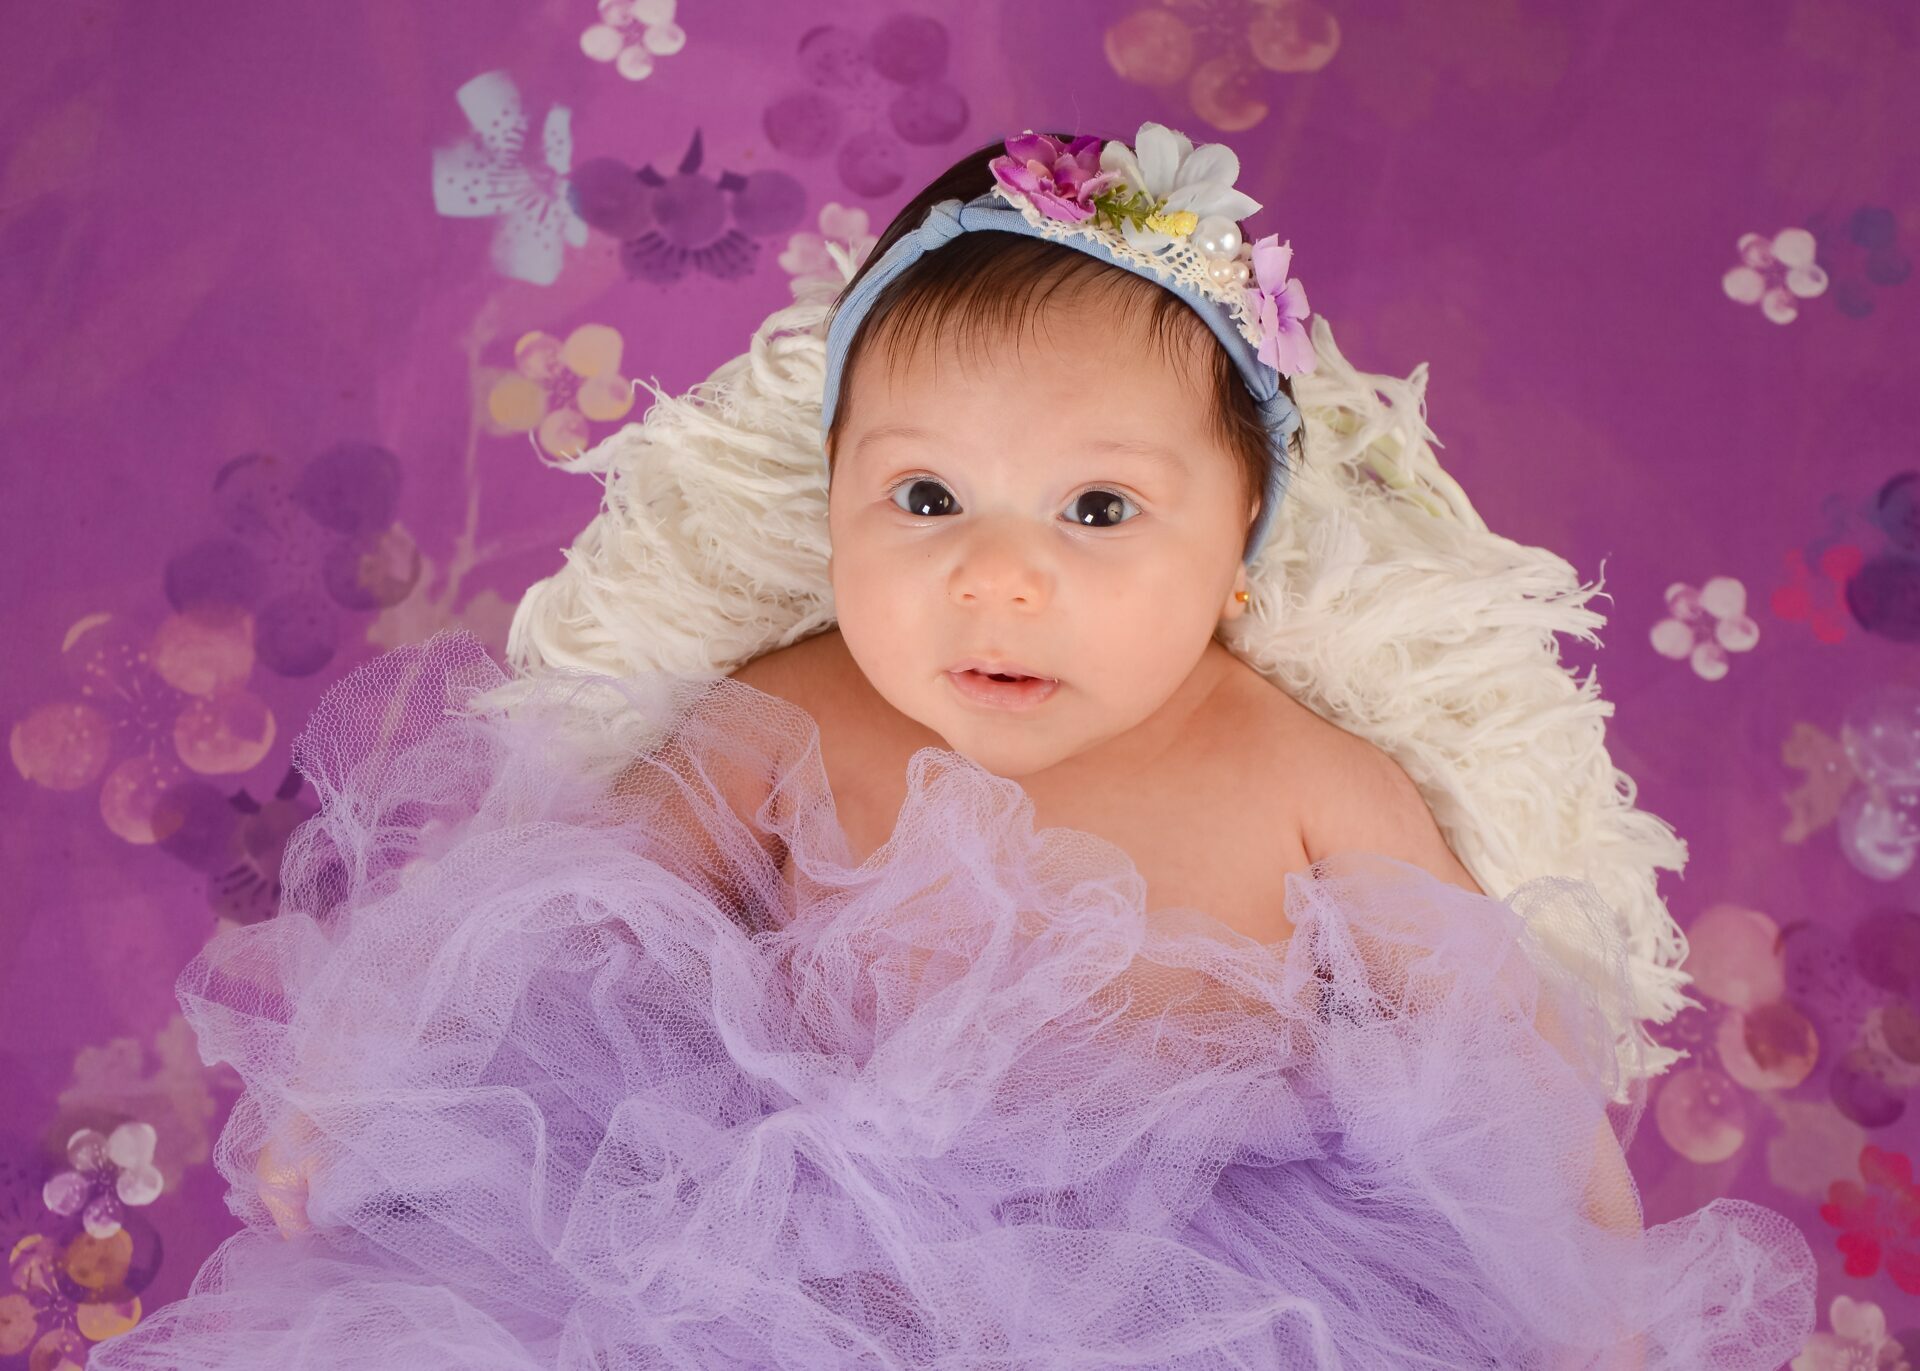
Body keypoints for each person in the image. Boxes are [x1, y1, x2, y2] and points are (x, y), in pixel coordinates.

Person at [90, 124, 1816, 1370]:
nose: (998, 575)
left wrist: (1598, 1299)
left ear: (1241, 547)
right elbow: (549, 903)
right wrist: (366, 1092)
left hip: (1206, 1305)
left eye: (1098, 509)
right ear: (831, 501)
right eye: (925, 497)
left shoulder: (1301, 778)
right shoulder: (792, 711)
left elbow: (1498, 1054)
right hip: (758, 1273)